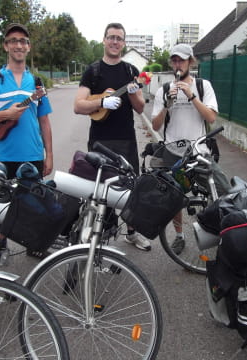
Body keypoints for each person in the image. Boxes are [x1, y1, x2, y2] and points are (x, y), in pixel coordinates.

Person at [0, 23, 54, 259]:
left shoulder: (37, 82)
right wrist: (5, 115)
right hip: (1, 157)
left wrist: (49, 154)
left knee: (33, 207)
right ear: (6, 45)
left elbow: (44, 122)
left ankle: (34, 245)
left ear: (28, 47)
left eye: (23, 41)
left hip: (33, 156)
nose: (19, 44)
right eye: (14, 40)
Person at [74, 22, 151, 251]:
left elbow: (139, 107)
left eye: (119, 38)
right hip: (99, 140)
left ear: (124, 43)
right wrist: (101, 102)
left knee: (130, 188)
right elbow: (78, 105)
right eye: (111, 37)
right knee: (100, 191)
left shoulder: (130, 72)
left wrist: (134, 92)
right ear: (104, 40)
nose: (115, 42)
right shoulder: (93, 71)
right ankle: (101, 236)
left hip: (126, 139)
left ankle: (132, 233)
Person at [151, 43, 230, 254]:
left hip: (199, 152)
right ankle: (179, 235)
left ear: (190, 62)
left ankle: (222, 232)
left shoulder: (204, 86)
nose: (178, 64)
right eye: (175, 60)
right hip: (172, 152)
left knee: (223, 191)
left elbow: (211, 118)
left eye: (182, 60)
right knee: (175, 199)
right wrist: (167, 104)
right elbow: (156, 126)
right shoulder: (164, 90)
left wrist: (192, 97)